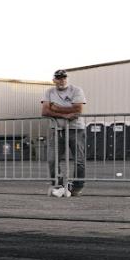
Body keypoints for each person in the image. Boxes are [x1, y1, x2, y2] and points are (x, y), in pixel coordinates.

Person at [41, 68, 87, 197]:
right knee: (52, 159)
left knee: (79, 159)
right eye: (59, 78)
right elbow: (45, 111)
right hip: (57, 130)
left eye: (64, 78)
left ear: (67, 78)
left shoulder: (76, 90)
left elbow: (78, 109)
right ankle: (59, 185)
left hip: (76, 129)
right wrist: (66, 114)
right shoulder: (49, 92)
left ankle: (77, 186)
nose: (62, 80)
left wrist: (55, 108)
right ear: (54, 80)